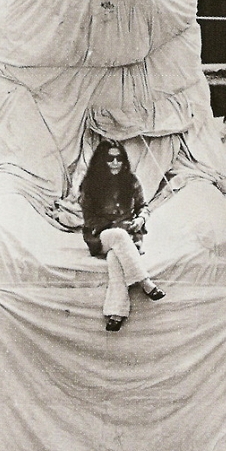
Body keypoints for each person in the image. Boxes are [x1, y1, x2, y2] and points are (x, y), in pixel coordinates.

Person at [79, 140, 165, 332]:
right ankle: (145, 282)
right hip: (101, 236)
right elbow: (89, 219)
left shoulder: (131, 181)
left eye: (119, 158)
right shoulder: (90, 184)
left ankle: (116, 313)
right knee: (118, 236)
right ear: (102, 160)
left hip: (129, 236)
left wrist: (141, 220)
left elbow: (143, 207)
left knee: (115, 258)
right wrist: (116, 226)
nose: (116, 162)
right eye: (110, 158)